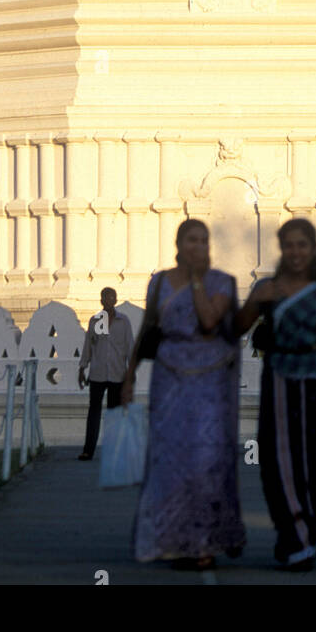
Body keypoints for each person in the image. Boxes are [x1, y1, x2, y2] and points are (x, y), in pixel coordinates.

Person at [235, 218, 316, 571]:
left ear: (313, 248)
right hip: (279, 380)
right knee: (278, 462)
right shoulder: (267, 289)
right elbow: (237, 328)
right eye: (289, 245)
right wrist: (254, 302)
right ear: (282, 249)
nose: (295, 252)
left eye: (302, 244)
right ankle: (294, 538)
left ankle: (306, 539)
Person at [123, 219, 245, 569]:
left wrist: (195, 280)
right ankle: (173, 540)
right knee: (169, 460)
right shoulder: (159, 281)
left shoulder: (222, 282)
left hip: (211, 384)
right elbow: (149, 327)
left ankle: (204, 542)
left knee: (207, 460)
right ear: (177, 244)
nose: (198, 246)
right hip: (169, 380)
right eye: (191, 240)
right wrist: (129, 375)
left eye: (204, 240)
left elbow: (209, 322)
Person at [77, 286, 134, 461]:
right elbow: (89, 346)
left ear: (116, 300)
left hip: (117, 373)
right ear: (101, 300)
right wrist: (82, 368)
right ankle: (88, 450)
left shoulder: (123, 322)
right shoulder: (95, 321)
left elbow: (130, 347)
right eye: (106, 298)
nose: (109, 301)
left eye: (112, 298)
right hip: (98, 373)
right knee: (94, 412)